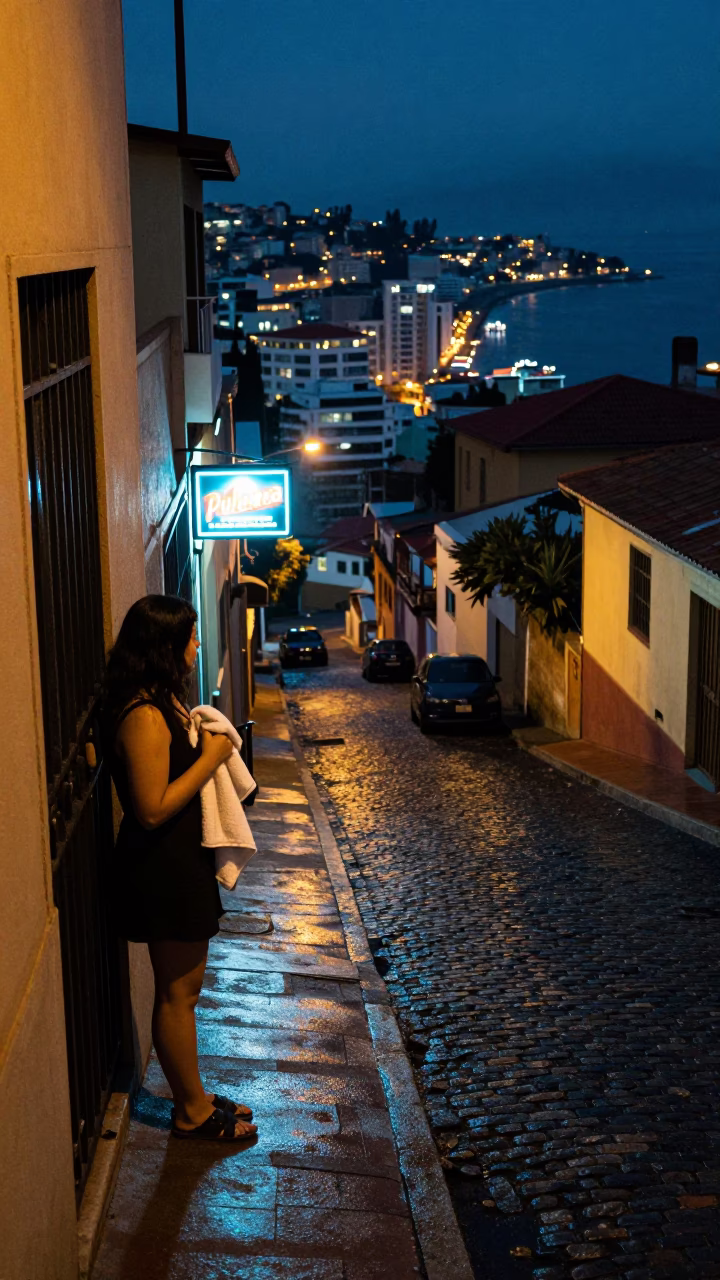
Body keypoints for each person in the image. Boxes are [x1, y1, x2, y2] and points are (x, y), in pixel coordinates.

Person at [102, 594, 257, 1141]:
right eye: (190, 637)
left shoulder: (157, 700)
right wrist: (213, 758)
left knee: (183, 990)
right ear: (165, 644)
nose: (197, 644)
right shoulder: (142, 716)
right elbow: (151, 808)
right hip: (161, 867)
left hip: (176, 861)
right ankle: (190, 1111)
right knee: (178, 992)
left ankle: (195, 1093)